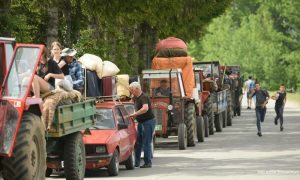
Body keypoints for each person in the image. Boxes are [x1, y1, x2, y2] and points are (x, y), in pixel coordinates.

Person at [129, 82, 155, 168]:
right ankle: (136, 163)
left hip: (148, 121)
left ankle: (148, 163)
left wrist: (135, 114)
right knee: (138, 142)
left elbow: (145, 108)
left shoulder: (144, 97)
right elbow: (130, 105)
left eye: (131, 90)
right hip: (141, 122)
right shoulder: (135, 97)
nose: (131, 91)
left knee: (146, 142)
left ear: (137, 89)